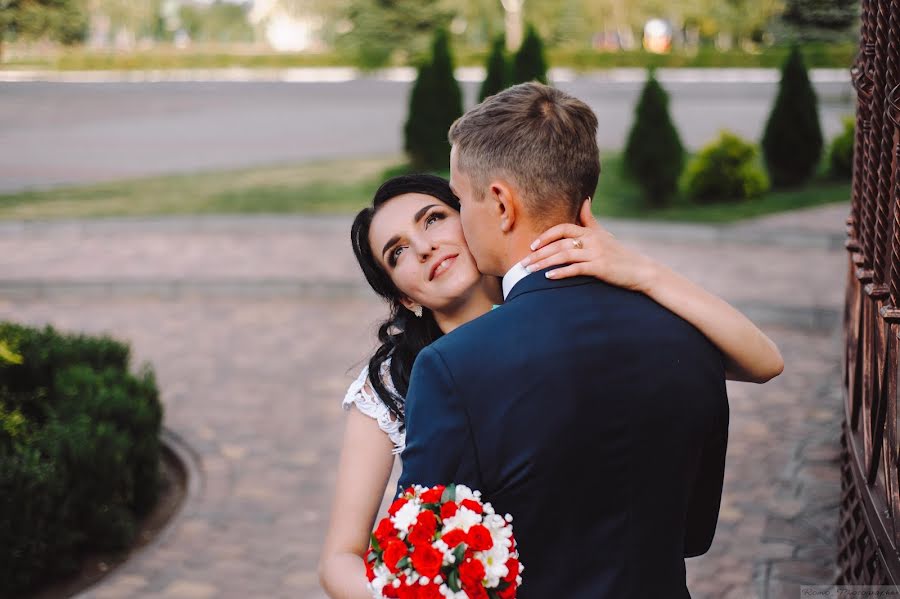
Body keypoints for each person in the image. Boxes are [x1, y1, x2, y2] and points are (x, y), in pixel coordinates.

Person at [319, 176, 782, 597]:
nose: (423, 247)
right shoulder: (387, 388)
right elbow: (340, 558)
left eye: (435, 219)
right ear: (402, 295)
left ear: (475, 220)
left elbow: (762, 360)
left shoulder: (573, 314)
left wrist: (642, 271)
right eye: (397, 252)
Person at [400, 82, 734, 598]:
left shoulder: (453, 367)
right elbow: (693, 533)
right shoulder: (693, 335)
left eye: (459, 199)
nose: (461, 221)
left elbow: (426, 573)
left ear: (501, 205)